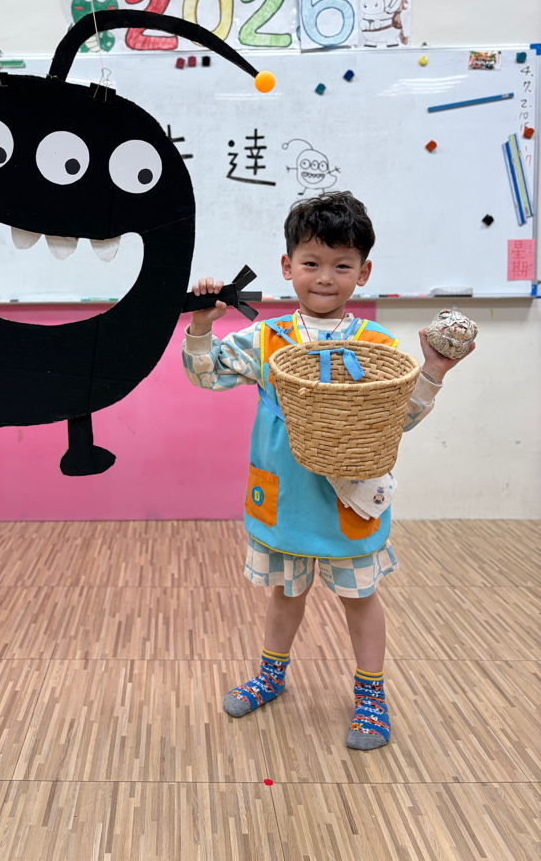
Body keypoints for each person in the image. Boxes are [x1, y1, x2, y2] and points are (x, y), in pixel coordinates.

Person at [182, 190, 474, 751]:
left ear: (364, 273)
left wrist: (433, 370)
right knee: (285, 593)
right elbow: (206, 375)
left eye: (342, 265)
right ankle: (271, 674)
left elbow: (397, 421)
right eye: (311, 262)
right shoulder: (264, 339)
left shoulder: (375, 346)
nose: (324, 277)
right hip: (286, 498)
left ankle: (371, 694)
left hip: (349, 499)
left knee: (360, 598)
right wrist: (201, 325)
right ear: (287, 266)